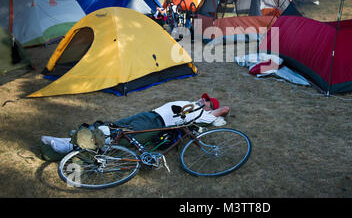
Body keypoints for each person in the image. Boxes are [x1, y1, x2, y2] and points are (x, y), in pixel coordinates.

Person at [40, 93, 229, 158]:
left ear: (209, 107)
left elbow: (224, 110)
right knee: (110, 126)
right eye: (203, 98)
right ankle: (68, 140)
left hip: (156, 123)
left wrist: (212, 109)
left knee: (112, 136)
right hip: (149, 114)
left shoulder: (203, 114)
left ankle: (68, 147)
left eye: (207, 100)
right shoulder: (193, 104)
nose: (202, 99)